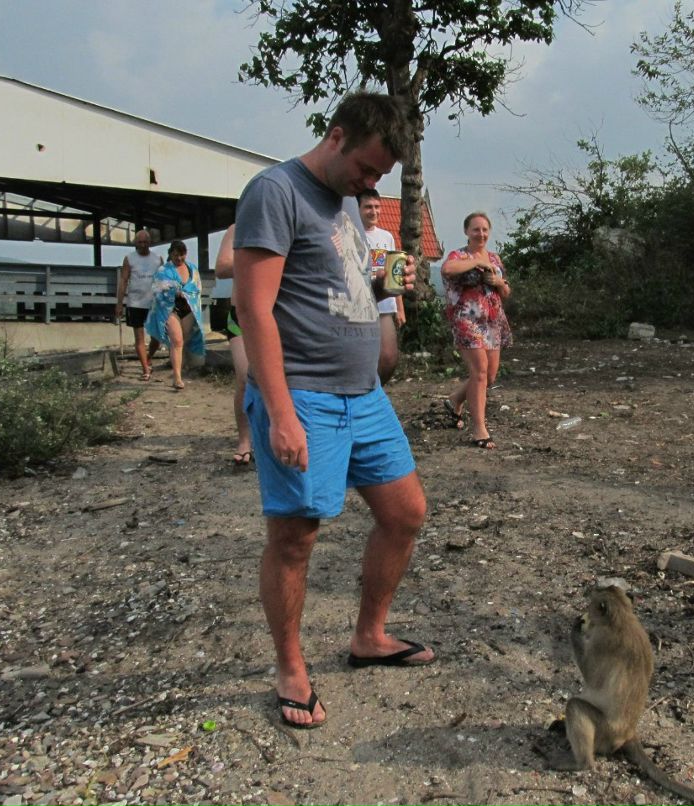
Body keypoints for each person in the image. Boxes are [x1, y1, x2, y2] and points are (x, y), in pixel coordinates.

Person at [233, 91, 433, 731]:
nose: (370, 184)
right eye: (368, 170)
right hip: (304, 395)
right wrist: (281, 411)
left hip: (364, 396)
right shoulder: (275, 191)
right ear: (337, 134)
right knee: (296, 536)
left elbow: (331, 282)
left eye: (380, 176)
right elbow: (255, 308)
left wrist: (382, 286)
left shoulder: (346, 199)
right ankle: (291, 667)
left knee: (406, 513)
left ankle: (368, 637)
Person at [440, 211, 512, 449]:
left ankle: (455, 399)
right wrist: (477, 262)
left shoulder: (495, 259)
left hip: (492, 322)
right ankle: (479, 429)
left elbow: (506, 291)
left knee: (489, 377)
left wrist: (499, 283)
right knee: (479, 372)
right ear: (466, 232)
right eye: (475, 229)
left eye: (484, 230)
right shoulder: (459, 255)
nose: (480, 234)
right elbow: (447, 269)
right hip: (467, 320)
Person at [358, 188, 406, 384]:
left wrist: (400, 308)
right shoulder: (351, 233)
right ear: (358, 209)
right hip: (360, 307)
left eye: (377, 207)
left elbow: (396, 274)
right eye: (368, 207)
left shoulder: (387, 237)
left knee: (387, 357)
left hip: (386, 307)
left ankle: (376, 390)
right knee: (363, 356)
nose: (374, 212)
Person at [214, 224, 253, 467]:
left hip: (281, 316)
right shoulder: (238, 229)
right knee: (245, 378)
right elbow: (222, 267)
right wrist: (261, 257)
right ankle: (244, 441)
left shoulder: (290, 224)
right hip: (243, 315)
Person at [145, 240, 205, 391]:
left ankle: (181, 364)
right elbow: (157, 288)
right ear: (171, 254)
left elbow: (197, 287)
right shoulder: (163, 270)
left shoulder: (192, 268)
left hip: (189, 307)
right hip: (170, 308)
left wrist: (187, 293)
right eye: (176, 255)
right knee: (176, 340)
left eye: (182, 255)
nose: (179, 258)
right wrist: (173, 290)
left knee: (184, 339)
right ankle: (177, 377)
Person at [115, 229, 162, 381]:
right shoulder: (129, 258)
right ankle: (145, 369)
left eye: (145, 242)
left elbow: (163, 280)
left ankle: (148, 357)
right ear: (136, 243)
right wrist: (119, 303)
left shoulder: (157, 259)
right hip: (135, 302)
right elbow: (123, 280)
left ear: (150, 242)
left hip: (154, 303)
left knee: (157, 337)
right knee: (139, 338)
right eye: (140, 242)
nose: (142, 245)